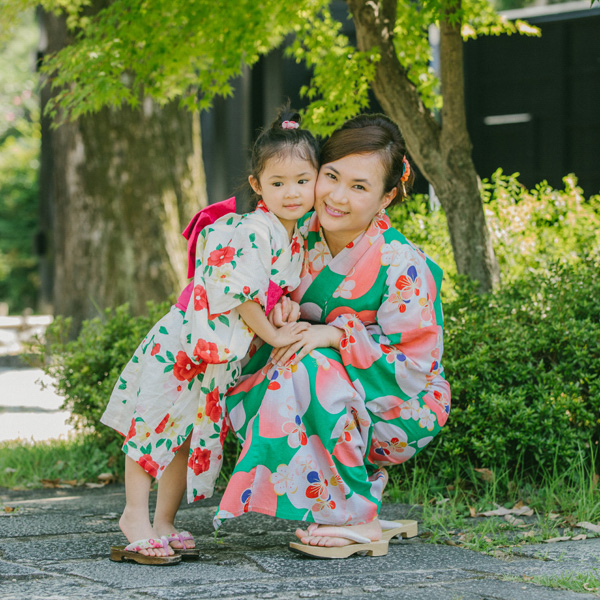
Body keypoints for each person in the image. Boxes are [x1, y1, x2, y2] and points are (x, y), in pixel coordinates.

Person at [214, 113, 451, 558]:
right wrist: (276, 310)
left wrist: (335, 335)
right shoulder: (291, 236)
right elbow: (251, 296)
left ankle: (356, 516)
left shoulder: (402, 263)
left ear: (387, 197)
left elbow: (416, 367)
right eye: (331, 177)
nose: (337, 197)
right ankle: (351, 499)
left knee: (310, 365)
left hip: (400, 405)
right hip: (301, 381)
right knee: (299, 365)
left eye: (359, 187)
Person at [102, 107, 319, 564]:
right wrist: (276, 336)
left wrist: (285, 306)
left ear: (317, 180)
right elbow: (238, 294)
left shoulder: (293, 236)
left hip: (218, 350)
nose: (292, 192)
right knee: (155, 424)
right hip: (186, 341)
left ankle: (163, 522)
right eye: (278, 183)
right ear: (257, 185)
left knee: (183, 435)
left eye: (302, 180)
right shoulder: (250, 230)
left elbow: (269, 292)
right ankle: (133, 518)